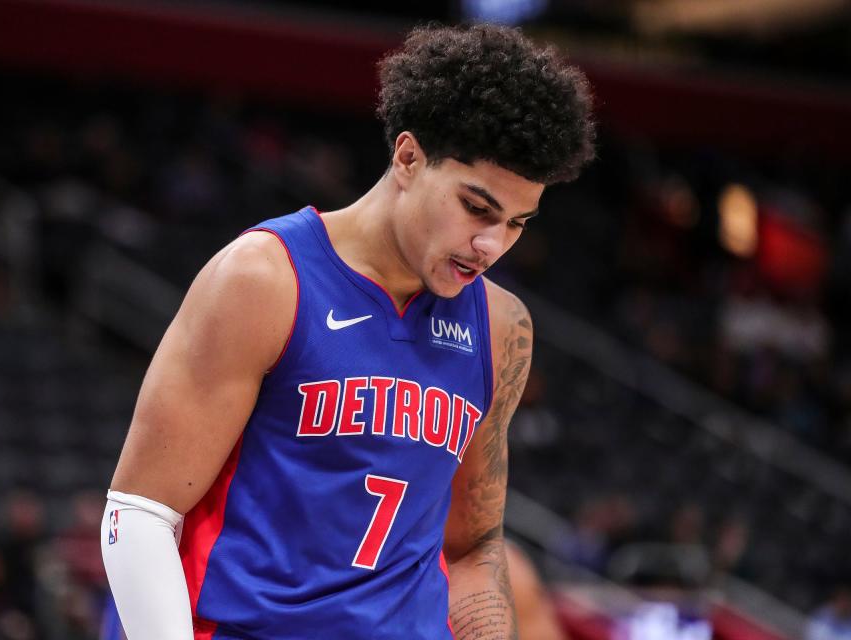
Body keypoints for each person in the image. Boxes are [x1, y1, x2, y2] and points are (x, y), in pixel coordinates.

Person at [101, 22, 595, 640]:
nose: (490, 245)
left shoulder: (501, 328)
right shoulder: (265, 278)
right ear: (409, 158)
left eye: (517, 223)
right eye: (477, 208)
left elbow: (472, 548)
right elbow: (139, 517)